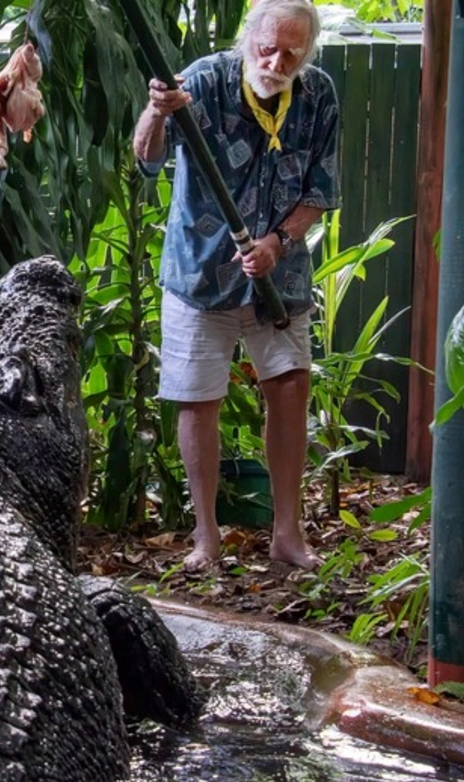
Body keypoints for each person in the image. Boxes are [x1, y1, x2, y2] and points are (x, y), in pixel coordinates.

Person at [133, 0, 339, 571]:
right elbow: (146, 160)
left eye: (291, 52)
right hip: (200, 274)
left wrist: (278, 242)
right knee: (199, 398)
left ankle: (287, 535)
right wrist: (156, 112)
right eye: (267, 47)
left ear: (307, 52)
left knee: (291, 387)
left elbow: (320, 190)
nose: (275, 60)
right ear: (247, 39)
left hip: (280, 275)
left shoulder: (318, 95)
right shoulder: (201, 81)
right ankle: (205, 538)